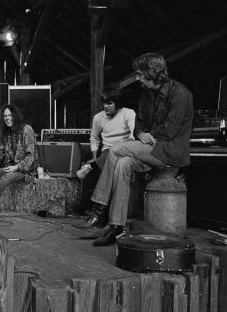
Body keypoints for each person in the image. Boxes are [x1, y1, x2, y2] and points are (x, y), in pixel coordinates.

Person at [82, 53, 193, 246]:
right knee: (122, 164)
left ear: (154, 73)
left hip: (169, 151)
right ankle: (116, 226)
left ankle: (99, 207)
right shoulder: (146, 95)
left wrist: (146, 137)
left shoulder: (181, 94)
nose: (138, 78)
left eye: (141, 74)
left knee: (116, 150)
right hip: (149, 148)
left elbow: (169, 131)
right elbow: (139, 125)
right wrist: (141, 134)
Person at [76, 87, 136, 179]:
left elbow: (133, 132)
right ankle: (95, 164)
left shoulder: (128, 113)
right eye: (104, 103)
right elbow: (94, 137)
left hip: (125, 148)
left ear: (117, 103)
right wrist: (95, 156)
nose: (106, 106)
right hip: (107, 151)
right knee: (109, 156)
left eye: (109, 103)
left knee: (115, 154)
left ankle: (92, 166)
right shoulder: (98, 118)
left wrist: (127, 146)